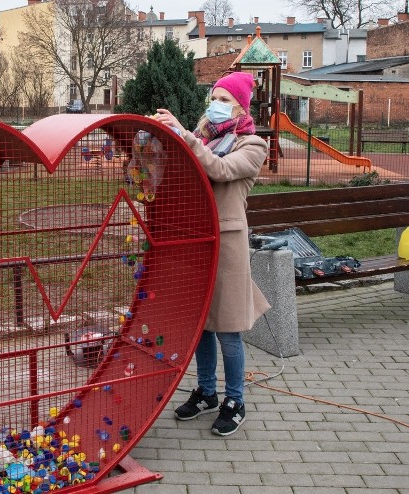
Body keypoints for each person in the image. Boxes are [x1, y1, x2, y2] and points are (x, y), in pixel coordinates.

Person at [154, 71, 270, 436]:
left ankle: (235, 400)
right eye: (214, 98)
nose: (215, 106)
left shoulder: (252, 145)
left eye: (224, 100)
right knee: (201, 326)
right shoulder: (203, 138)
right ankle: (206, 391)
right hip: (196, 240)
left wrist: (185, 137)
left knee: (228, 329)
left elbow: (218, 170)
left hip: (228, 243)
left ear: (240, 106)